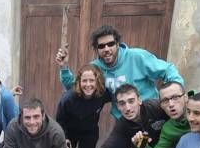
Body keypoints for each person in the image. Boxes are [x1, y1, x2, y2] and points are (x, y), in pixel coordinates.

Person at [55, 24, 183, 119]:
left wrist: (176, 94)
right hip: (125, 121)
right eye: (101, 46)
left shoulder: (137, 56)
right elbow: (75, 88)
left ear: (117, 44)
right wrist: (64, 66)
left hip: (152, 114)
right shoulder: (95, 68)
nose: (106, 49)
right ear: (96, 49)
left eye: (110, 44)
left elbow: (167, 70)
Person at [55, 64, 111, 148]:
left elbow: (120, 97)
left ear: (97, 81)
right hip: (69, 133)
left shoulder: (103, 94)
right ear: (79, 82)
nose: (88, 84)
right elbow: (59, 120)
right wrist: (65, 137)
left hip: (89, 132)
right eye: (84, 81)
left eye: (91, 80)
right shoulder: (68, 98)